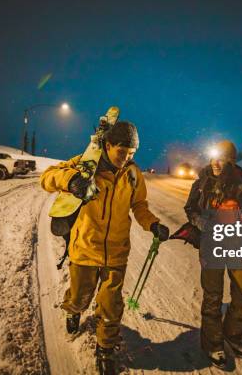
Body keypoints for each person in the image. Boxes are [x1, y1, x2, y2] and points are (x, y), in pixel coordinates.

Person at [40, 121, 170, 375]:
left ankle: (105, 349)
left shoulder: (133, 174)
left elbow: (139, 205)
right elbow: (47, 177)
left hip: (117, 252)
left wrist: (153, 224)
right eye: (122, 152)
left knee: (111, 306)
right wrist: (72, 180)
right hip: (85, 249)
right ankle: (73, 311)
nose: (126, 159)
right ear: (108, 145)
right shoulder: (86, 165)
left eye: (132, 154)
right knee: (79, 297)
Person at [183, 139, 242, 368]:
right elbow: (190, 208)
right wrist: (199, 220)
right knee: (213, 297)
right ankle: (212, 343)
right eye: (213, 157)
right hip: (211, 247)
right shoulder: (202, 182)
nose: (215, 163)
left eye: (221, 159)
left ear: (231, 161)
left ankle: (233, 333)